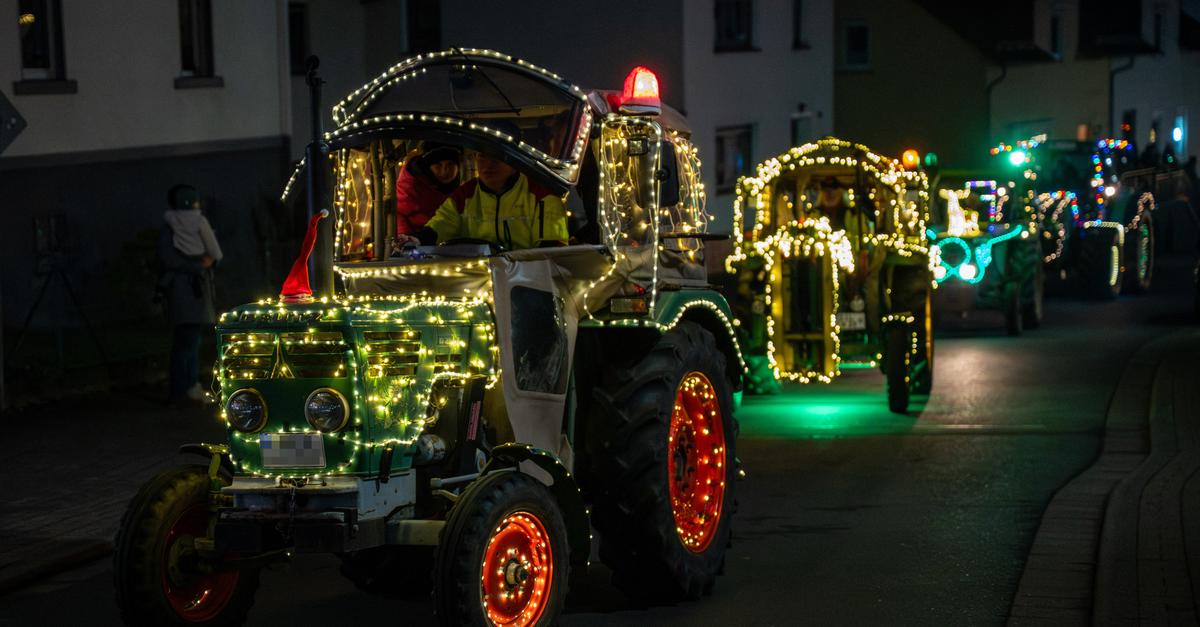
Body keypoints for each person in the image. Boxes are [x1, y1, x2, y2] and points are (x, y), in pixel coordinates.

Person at [397, 131, 568, 250]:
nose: (487, 165)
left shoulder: (542, 195)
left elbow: (551, 250)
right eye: (482, 156)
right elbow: (441, 225)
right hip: (477, 280)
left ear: (514, 161)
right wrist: (417, 239)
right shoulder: (464, 195)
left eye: (496, 158)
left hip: (527, 282)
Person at [158, 184, 220, 406]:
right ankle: (183, 389)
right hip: (188, 291)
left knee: (189, 341)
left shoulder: (176, 226)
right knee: (187, 341)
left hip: (189, 291)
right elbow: (169, 258)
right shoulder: (179, 227)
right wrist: (199, 265)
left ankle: (187, 387)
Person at [395, 142, 462, 235]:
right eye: (438, 165)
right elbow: (397, 213)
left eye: (450, 164)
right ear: (428, 167)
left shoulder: (460, 190)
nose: (445, 171)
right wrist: (408, 238)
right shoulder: (411, 186)